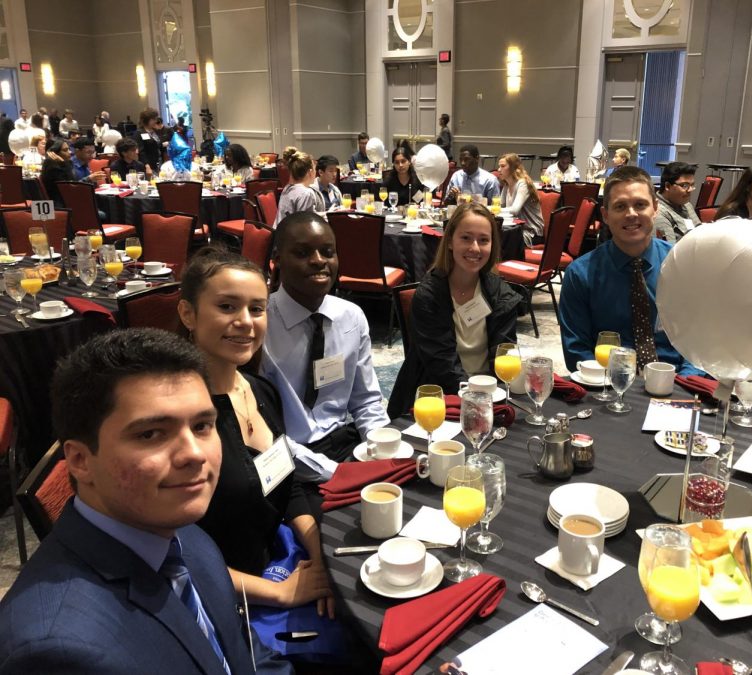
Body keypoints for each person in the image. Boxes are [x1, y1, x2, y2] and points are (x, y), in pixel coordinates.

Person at [0, 328, 291, 674]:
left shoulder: (178, 530)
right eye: (151, 434)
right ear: (79, 461)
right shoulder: (58, 652)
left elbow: (242, 652)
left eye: (201, 426)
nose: (195, 454)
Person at [177, 246, 349, 665]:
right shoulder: (181, 422)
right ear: (187, 314)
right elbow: (176, 555)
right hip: (226, 598)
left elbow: (288, 488)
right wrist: (280, 592)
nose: (245, 322)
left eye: (257, 308)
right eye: (226, 306)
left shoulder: (259, 390)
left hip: (282, 558)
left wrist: (319, 557)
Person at [262, 211, 390, 462]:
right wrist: (334, 473)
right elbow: (260, 430)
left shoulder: (351, 317)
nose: (319, 261)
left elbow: (366, 402)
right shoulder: (259, 324)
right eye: (302, 253)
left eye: (328, 252)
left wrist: (382, 450)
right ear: (277, 260)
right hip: (285, 455)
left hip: (342, 440)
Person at [559, 166, 703, 375]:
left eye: (640, 205)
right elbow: (577, 352)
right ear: (605, 215)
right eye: (620, 207)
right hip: (607, 386)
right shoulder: (580, 275)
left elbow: (698, 341)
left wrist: (685, 387)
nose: (631, 214)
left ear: (655, 209)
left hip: (677, 383)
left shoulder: (682, 266)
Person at [388, 202, 520, 417]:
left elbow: (504, 352)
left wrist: (492, 395)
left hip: (490, 394)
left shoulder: (500, 293)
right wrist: (475, 398)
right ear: (450, 241)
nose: (475, 248)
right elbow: (441, 365)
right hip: (442, 397)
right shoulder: (430, 296)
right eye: (466, 238)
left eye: (483, 240)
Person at [498, 152, 544, 246]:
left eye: (503, 166)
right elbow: (500, 207)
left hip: (531, 233)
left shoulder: (522, 184)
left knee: (500, 241)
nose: (499, 169)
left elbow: (514, 210)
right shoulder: (506, 185)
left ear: (513, 168)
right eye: (499, 166)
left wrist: (493, 210)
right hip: (514, 230)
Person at [653, 161, 700, 242]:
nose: (690, 190)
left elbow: (700, 231)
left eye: (692, 185)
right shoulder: (658, 212)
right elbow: (669, 250)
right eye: (685, 185)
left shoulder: (686, 204)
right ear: (667, 186)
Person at [276, 147, 319, 224]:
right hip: (291, 235)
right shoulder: (306, 193)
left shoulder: (287, 188)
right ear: (310, 172)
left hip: (280, 232)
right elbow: (305, 225)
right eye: (315, 169)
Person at [39, 140, 77, 206]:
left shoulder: (65, 163)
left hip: (67, 200)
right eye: (65, 150)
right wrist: (63, 164)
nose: (70, 152)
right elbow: (69, 186)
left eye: (69, 149)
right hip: (60, 204)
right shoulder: (51, 166)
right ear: (54, 153)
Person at [133, 108, 164, 174]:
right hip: (148, 165)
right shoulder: (139, 133)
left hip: (158, 162)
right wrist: (147, 166)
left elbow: (158, 145)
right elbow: (141, 152)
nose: (156, 121)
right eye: (154, 119)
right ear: (147, 120)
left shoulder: (154, 131)